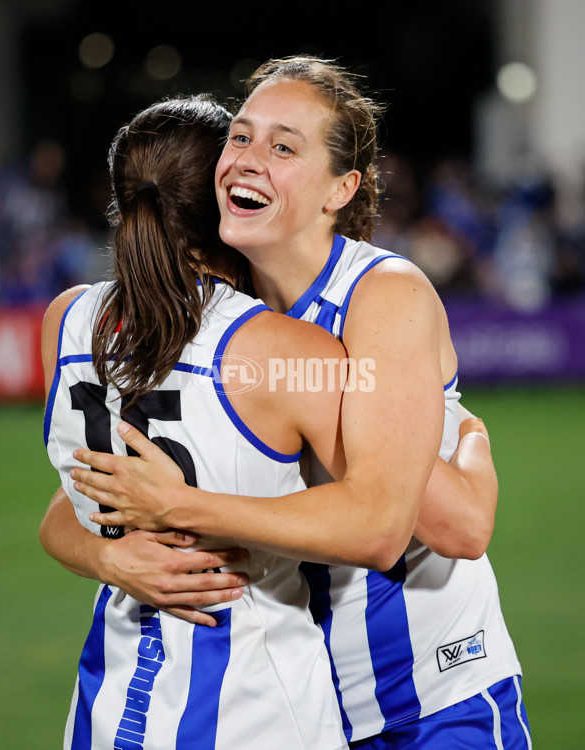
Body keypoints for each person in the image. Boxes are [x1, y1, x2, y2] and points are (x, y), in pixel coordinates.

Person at [43, 57, 530, 748]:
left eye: (283, 146)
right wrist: (109, 559)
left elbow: (456, 525)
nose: (248, 159)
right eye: (240, 137)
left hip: (422, 691)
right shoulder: (217, 318)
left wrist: (473, 461)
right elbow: (77, 502)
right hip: (300, 697)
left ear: (341, 188)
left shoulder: (378, 296)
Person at [42, 94, 356, 749]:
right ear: (227, 198)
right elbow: (376, 520)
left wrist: (109, 556)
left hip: (107, 705)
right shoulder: (284, 349)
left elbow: (63, 510)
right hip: (255, 707)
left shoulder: (68, 321)